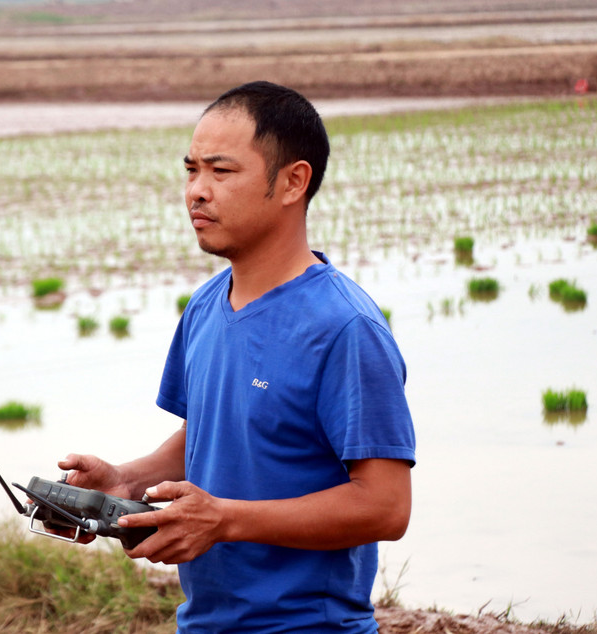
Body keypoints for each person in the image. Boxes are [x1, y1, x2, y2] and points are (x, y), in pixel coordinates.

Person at [58, 81, 416, 632]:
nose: (197, 191)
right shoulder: (205, 306)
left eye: (221, 172)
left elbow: (386, 507)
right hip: (203, 622)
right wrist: (126, 484)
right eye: (191, 170)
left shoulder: (345, 328)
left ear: (294, 181)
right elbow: (218, 434)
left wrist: (223, 520)